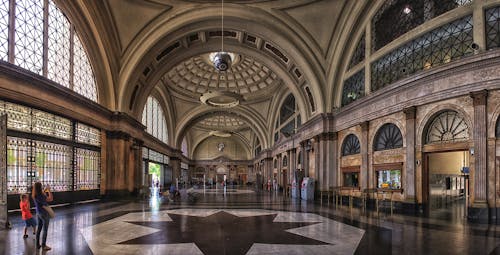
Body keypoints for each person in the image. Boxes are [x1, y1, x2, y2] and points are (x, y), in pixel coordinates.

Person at [32, 182, 53, 251]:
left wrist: (45, 190)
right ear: (40, 187)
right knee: (45, 230)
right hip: (44, 213)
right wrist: (49, 190)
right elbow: (50, 199)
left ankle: (38, 244)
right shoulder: (42, 195)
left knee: (39, 229)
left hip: (38, 213)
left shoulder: (34, 195)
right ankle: (44, 245)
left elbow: (41, 195)